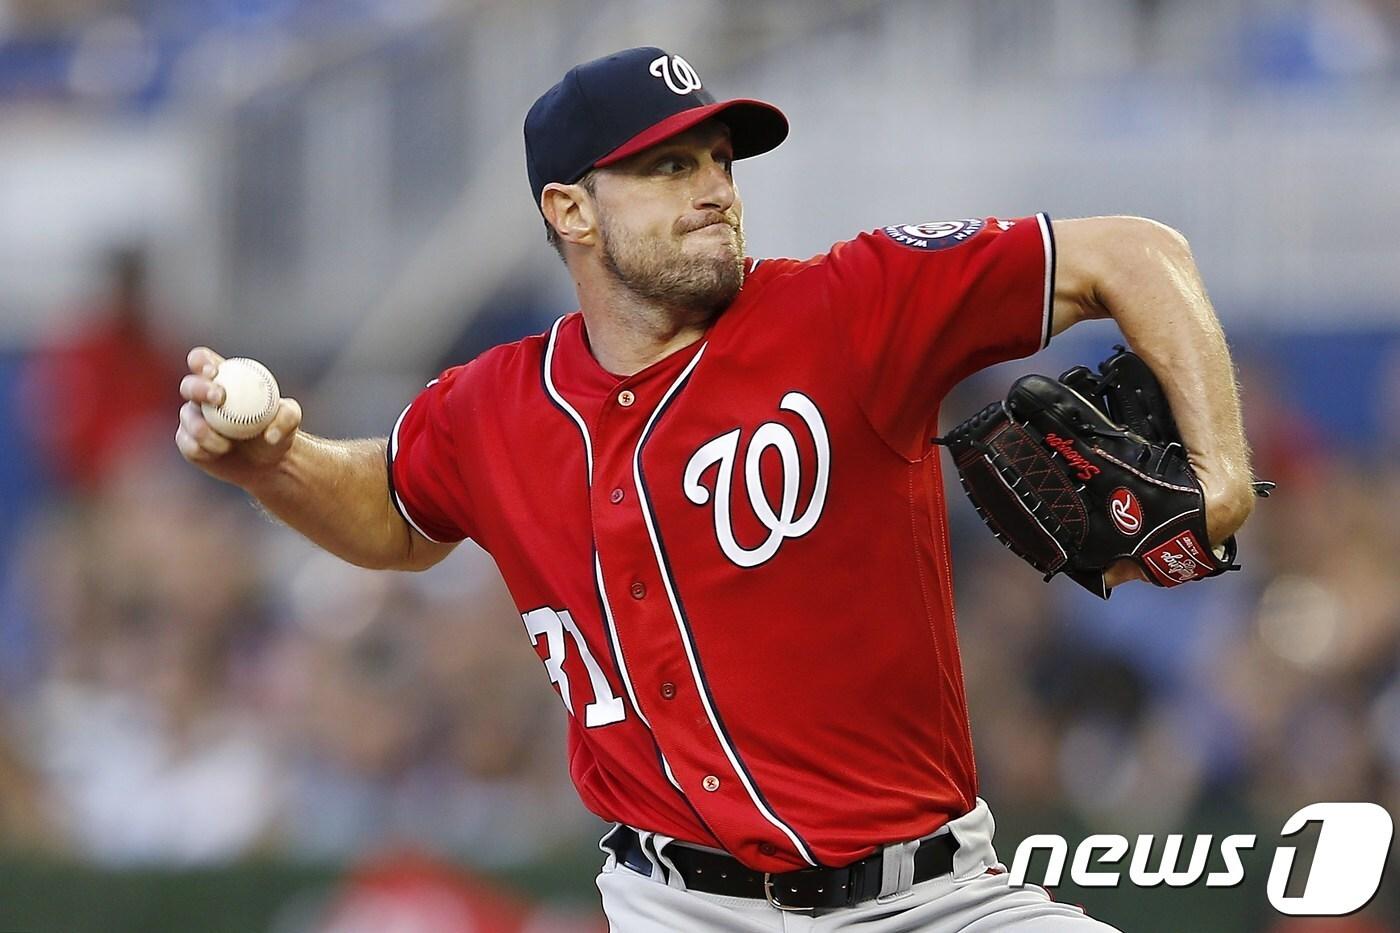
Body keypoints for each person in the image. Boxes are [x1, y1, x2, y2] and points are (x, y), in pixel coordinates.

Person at [176, 47, 1258, 931]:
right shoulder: (491, 404)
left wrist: (1219, 478)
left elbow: (1133, 253)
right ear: (570, 209)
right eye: (666, 168)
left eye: (718, 161)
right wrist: (277, 462)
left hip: (929, 899)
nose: (711, 191)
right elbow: (393, 514)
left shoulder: (848, 307)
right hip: (676, 908)